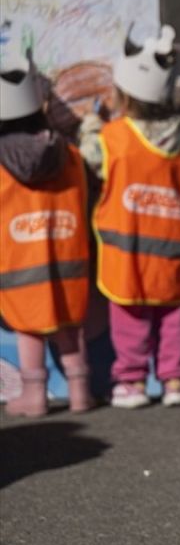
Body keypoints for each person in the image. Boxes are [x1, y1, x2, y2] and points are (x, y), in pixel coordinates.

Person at [80, 24, 180, 409]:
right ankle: (175, 382)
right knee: (172, 316)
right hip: (174, 247)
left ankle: (132, 382)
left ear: (123, 94)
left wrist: (91, 125)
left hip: (128, 249)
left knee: (130, 315)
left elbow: (91, 159)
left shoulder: (113, 136)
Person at [0, 44, 93, 416]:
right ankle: (81, 391)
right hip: (70, 259)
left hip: (19, 264)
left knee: (29, 328)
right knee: (71, 326)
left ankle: (34, 396)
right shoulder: (68, 153)